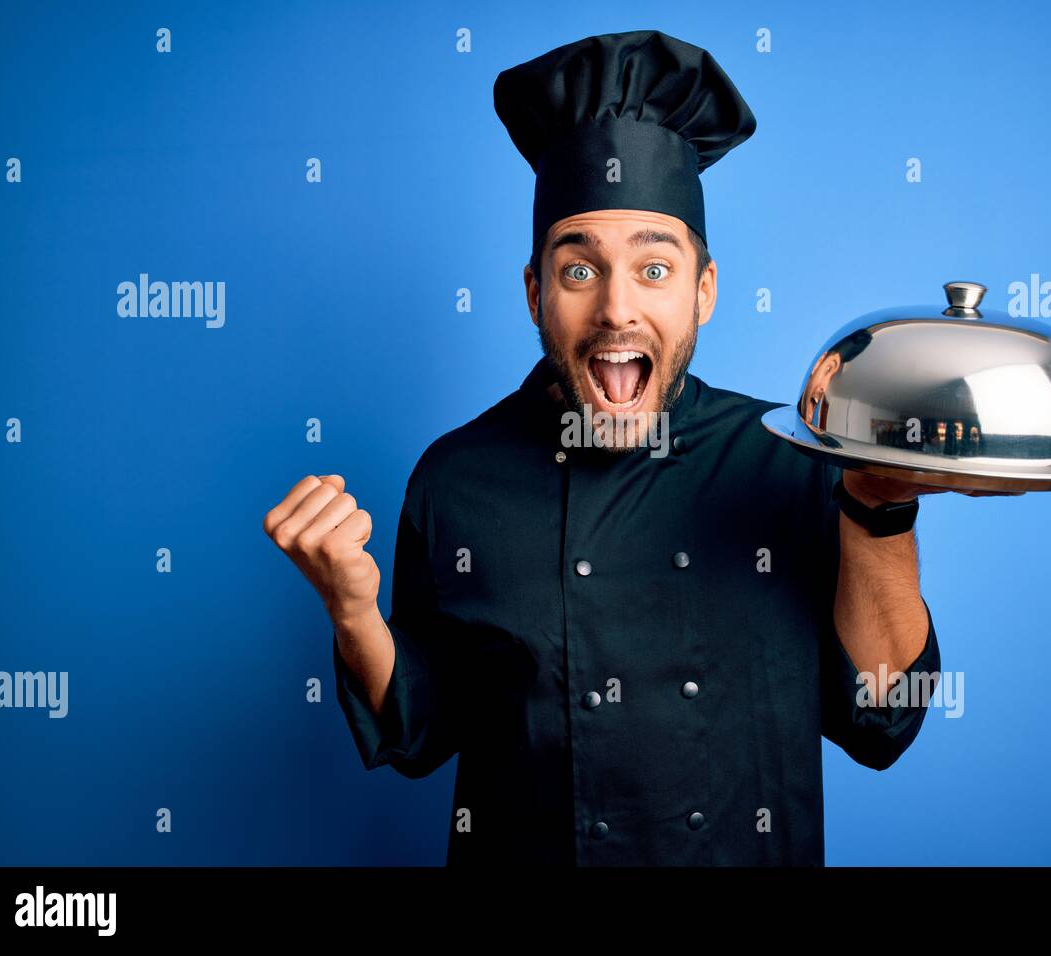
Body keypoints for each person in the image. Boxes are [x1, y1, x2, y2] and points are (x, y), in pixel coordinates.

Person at [263, 30, 998, 866]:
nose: (617, 309)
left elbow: (883, 718)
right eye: (580, 271)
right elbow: (421, 729)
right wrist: (354, 613)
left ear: (704, 292)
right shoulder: (456, 478)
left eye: (654, 269)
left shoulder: (789, 461)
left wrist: (879, 507)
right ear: (536, 291)